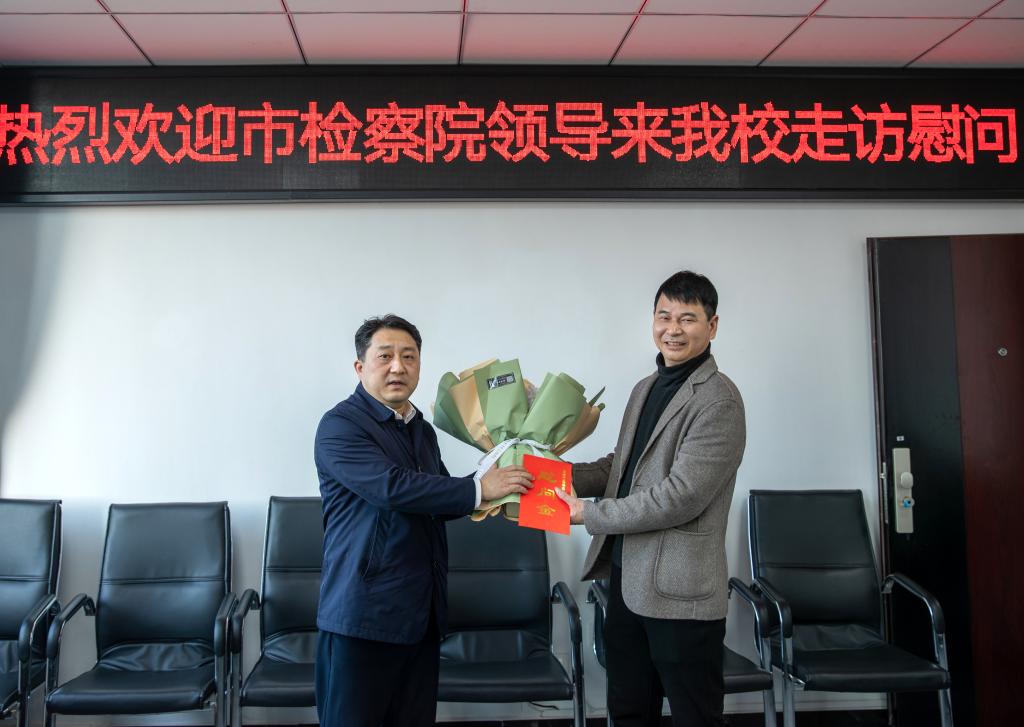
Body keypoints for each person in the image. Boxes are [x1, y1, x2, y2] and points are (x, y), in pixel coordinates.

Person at [314, 314, 534, 727]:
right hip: (363, 617)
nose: (398, 367)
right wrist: (480, 488)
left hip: (420, 614)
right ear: (360, 367)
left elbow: (439, 498)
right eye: (385, 356)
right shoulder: (340, 426)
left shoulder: (421, 429)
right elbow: (392, 488)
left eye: (409, 357)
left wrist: (504, 477)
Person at [556, 271, 745, 727]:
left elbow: (680, 496)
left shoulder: (719, 400)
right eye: (664, 316)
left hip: (682, 595)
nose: (672, 329)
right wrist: (552, 475)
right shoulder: (645, 388)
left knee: (695, 717)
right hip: (628, 585)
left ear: (712, 326)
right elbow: (620, 467)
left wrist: (589, 514)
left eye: (687, 319)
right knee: (628, 712)